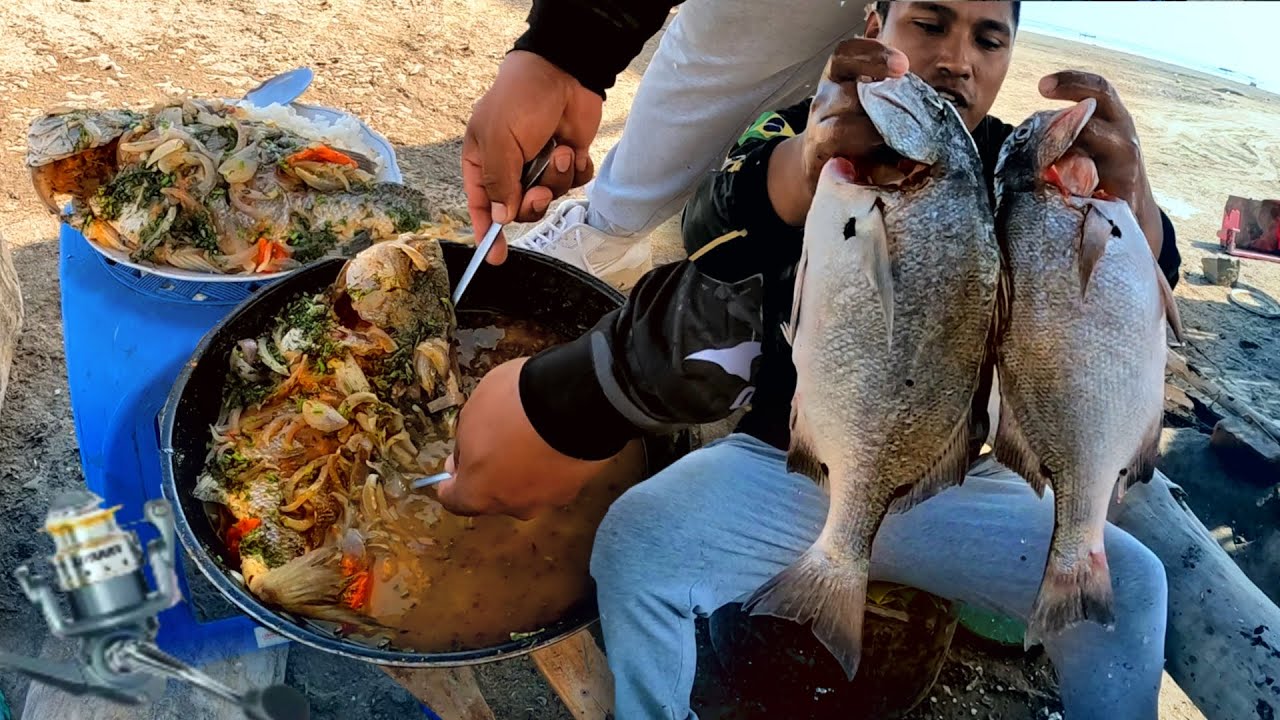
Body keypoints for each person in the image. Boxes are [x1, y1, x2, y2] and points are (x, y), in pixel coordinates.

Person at [446, 2, 1179, 718]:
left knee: (1136, 588)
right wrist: (802, 164)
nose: (957, 57)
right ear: (872, 27)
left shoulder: (1021, 170)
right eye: (929, 23)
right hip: (790, 467)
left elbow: (1146, 274)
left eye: (989, 39)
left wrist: (1135, 202)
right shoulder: (810, 127)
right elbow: (715, 216)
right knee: (637, 548)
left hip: (956, 481)